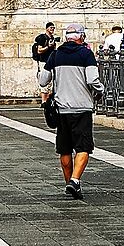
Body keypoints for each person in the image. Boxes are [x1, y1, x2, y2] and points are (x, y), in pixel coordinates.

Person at [44, 23, 103, 199]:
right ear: (81, 37)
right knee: (83, 147)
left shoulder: (56, 54)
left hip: (62, 109)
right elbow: (92, 79)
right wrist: (100, 90)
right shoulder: (86, 54)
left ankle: (69, 182)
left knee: (64, 149)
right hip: (82, 108)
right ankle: (75, 180)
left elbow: (43, 80)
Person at [31, 23, 58, 94]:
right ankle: (44, 101)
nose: (52, 29)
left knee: (51, 80)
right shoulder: (43, 38)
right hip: (43, 61)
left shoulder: (52, 38)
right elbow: (39, 50)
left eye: (53, 28)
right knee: (44, 80)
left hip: (50, 62)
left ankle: (48, 99)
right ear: (47, 28)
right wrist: (48, 46)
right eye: (51, 27)